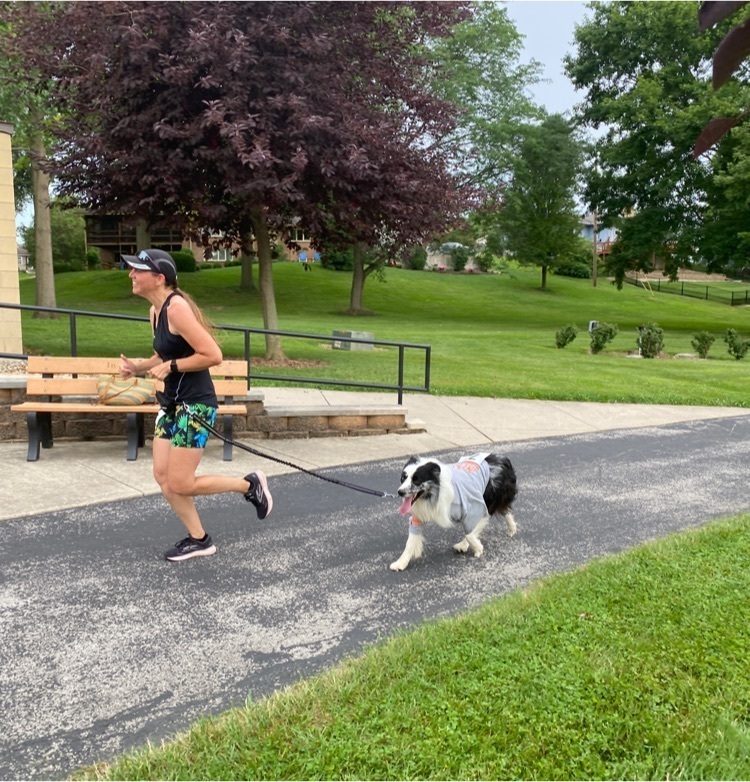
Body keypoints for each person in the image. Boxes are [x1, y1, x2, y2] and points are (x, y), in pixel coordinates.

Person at [119, 248, 273, 562]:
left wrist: (172, 367)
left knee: (181, 481)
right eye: (131, 269)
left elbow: (213, 355)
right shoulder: (156, 311)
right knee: (163, 476)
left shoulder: (177, 308)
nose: (131, 274)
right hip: (171, 403)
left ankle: (248, 485)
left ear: (159, 278)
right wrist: (138, 367)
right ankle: (199, 539)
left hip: (195, 405)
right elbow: (164, 354)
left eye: (138, 270)